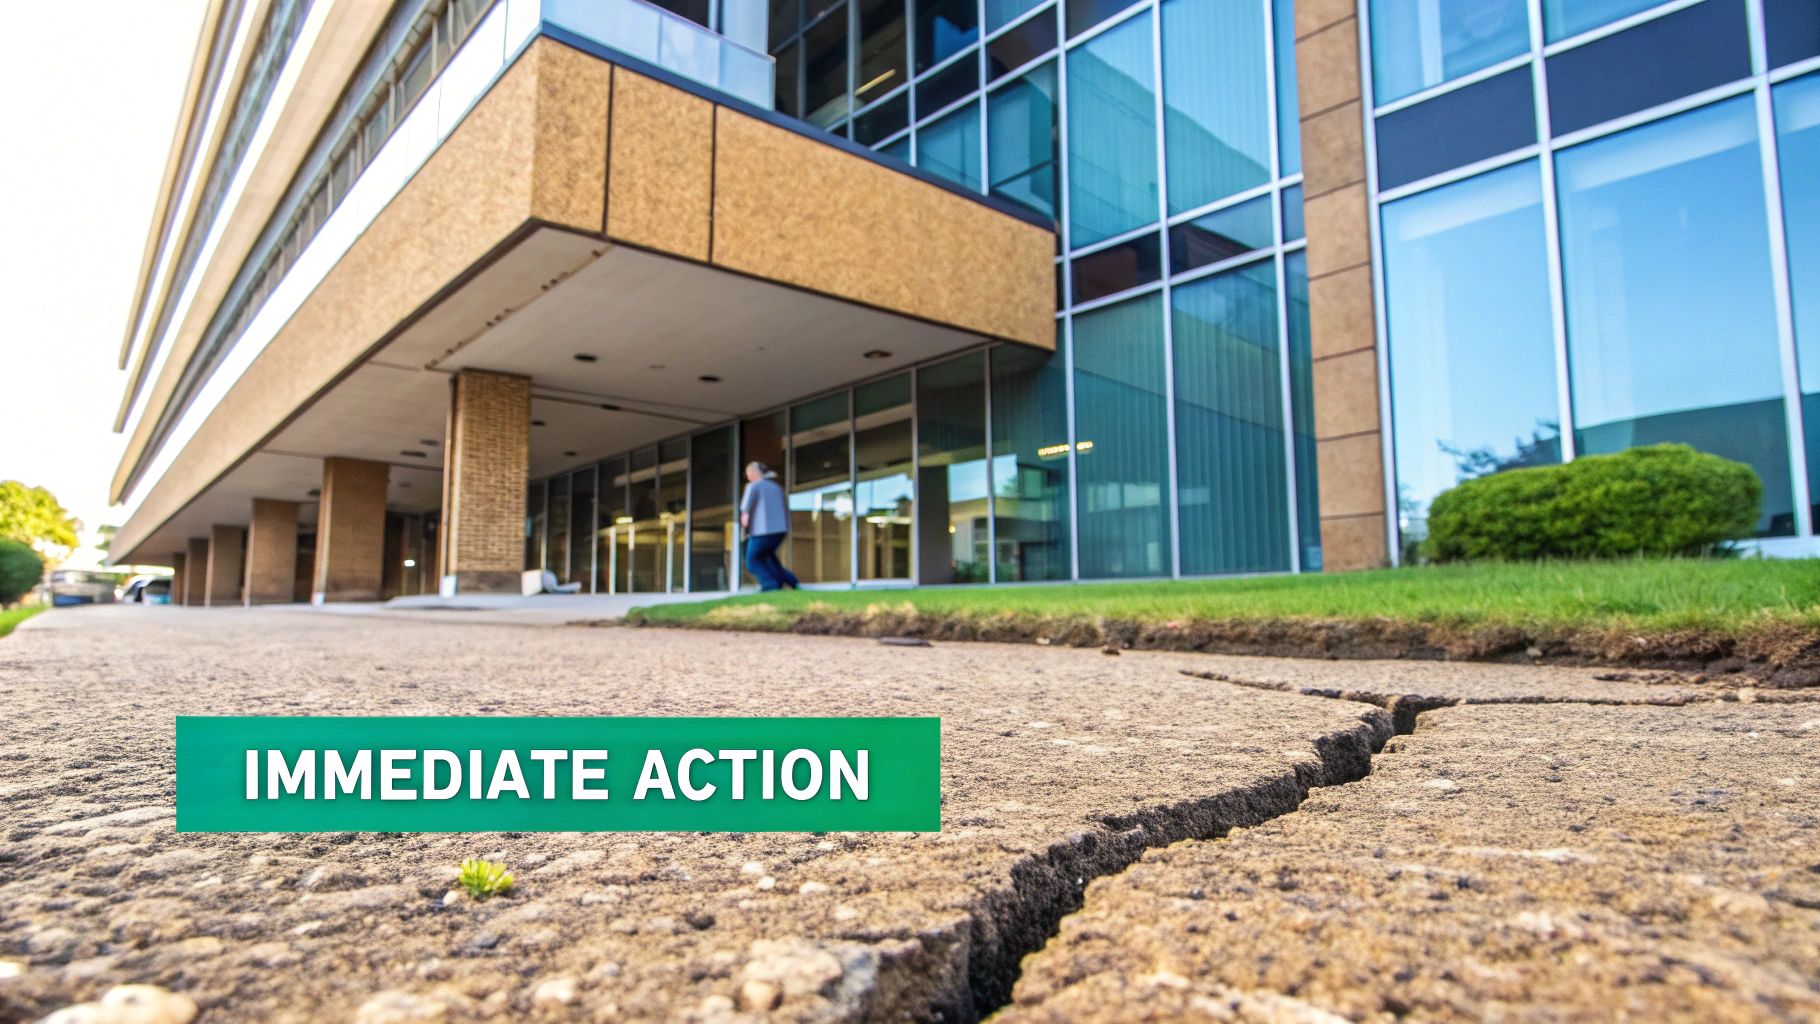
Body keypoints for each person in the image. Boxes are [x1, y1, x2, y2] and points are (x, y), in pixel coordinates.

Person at [739, 462, 800, 592]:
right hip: (780, 531)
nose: (748, 476)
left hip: (760, 532)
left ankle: (770, 583)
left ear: (754, 473)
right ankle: (790, 580)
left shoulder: (753, 486)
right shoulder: (777, 488)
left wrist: (744, 526)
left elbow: (745, 510)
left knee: (752, 560)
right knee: (768, 557)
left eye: (749, 473)